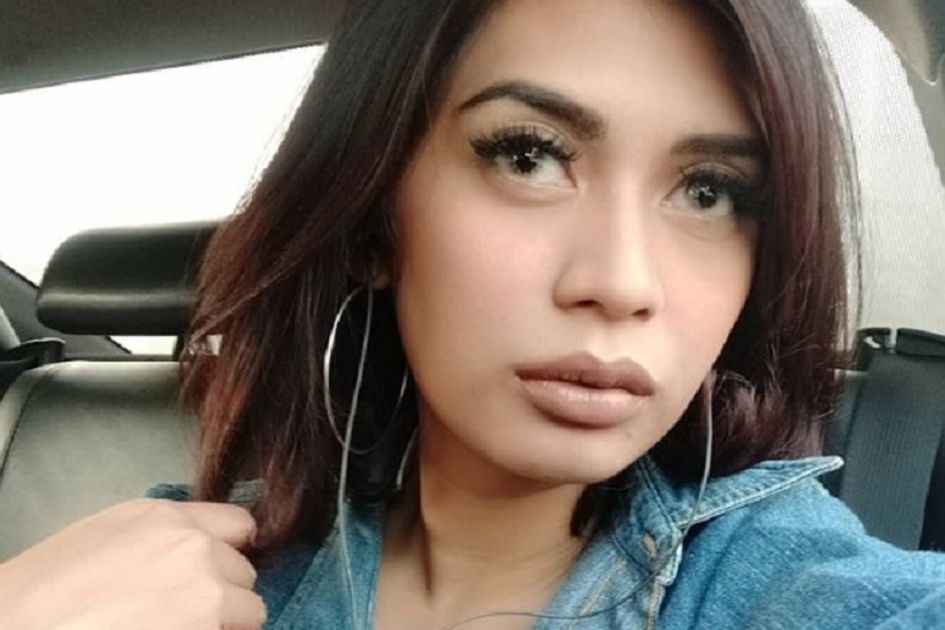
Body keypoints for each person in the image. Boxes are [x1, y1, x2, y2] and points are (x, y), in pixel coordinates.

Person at [1, 0, 944, 628]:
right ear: (374, 221)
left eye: (710, 191)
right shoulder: (173, 575)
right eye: (529, 155)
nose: (622, 282)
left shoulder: (783, 584)